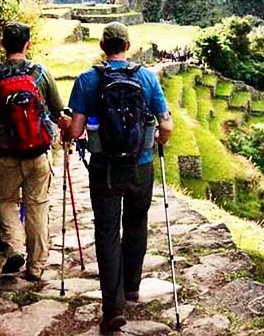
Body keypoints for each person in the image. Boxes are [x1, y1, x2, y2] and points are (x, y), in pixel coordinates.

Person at [66, 22, 173, 334]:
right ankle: (132, 287)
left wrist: (71, 128)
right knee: (137, 223)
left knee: (108, 232)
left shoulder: (88, 79)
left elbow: (75, 130)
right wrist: (157, 144)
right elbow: (165, 126)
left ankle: (113, 308)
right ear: (128, 45)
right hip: (140, 166)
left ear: (103, 45)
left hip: (105, 169)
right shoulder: (147, 77)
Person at [0, 22, 71, 281]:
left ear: (1, 44)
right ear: (28, 44)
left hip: (5, 154)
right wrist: (66, 131)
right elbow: (58, 112)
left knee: (5, 202)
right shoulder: (41, 74)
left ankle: (15, 249)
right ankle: (36, 267)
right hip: (38, 155)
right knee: (37, 207)